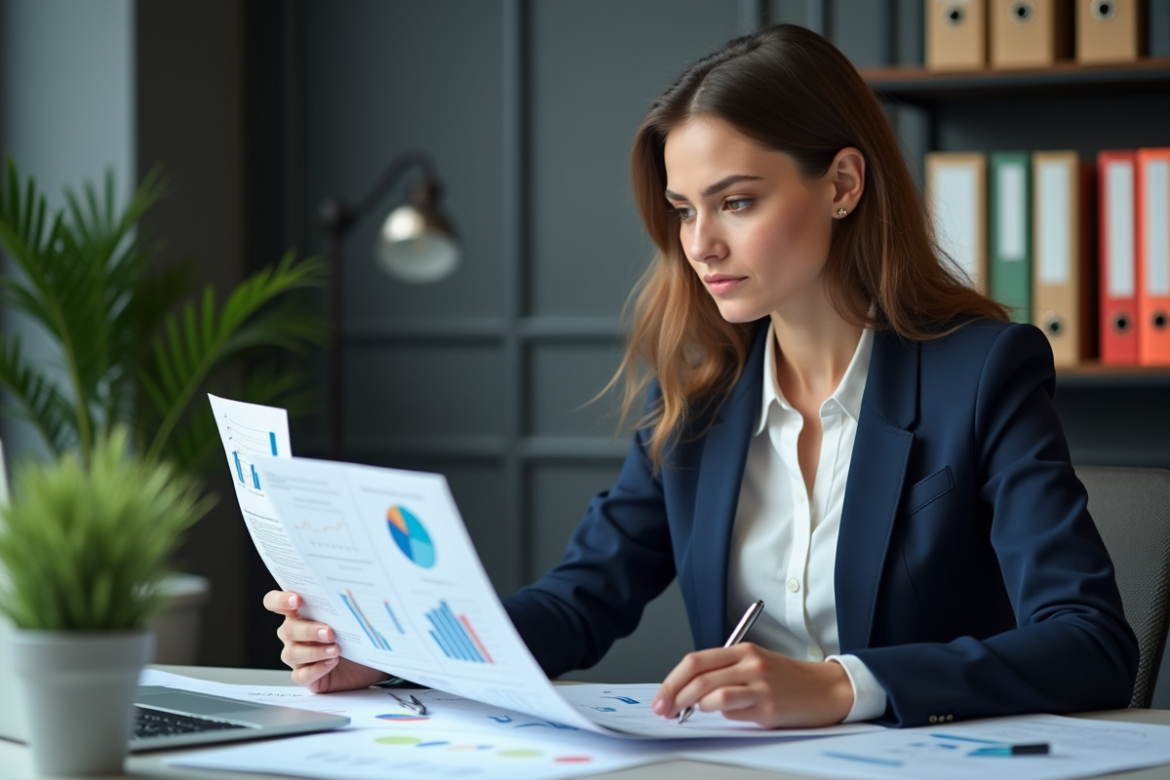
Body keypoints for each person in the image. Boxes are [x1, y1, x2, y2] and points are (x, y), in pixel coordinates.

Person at [264, 23, 1137, 728]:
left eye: (737, 201)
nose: (700, 244)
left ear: (841, 184)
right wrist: (397, 651)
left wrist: (843, 685)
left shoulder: (982, 371)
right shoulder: (698, 399)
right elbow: (580, 602)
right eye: (685, 209)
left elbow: (1091, 643)